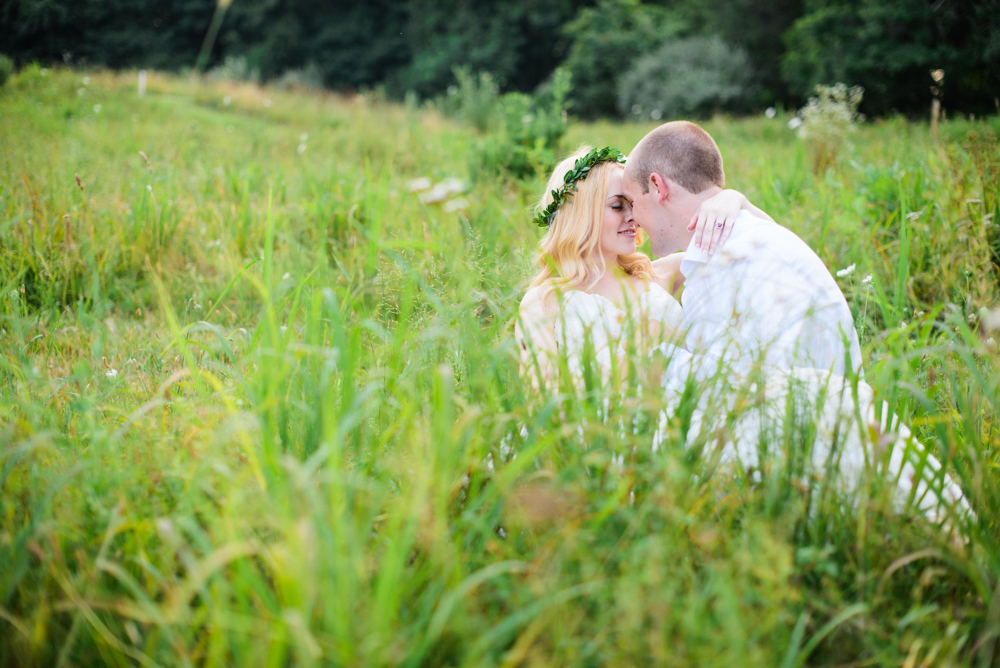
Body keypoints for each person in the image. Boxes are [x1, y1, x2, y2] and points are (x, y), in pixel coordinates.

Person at [515, 145, 768, 389]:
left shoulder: (662, 275)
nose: (633, 217)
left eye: (633, 204)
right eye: (617, 205)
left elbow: (766, 251)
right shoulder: (545, 300)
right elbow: (542, 398)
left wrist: (735, 201)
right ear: (581, 214)